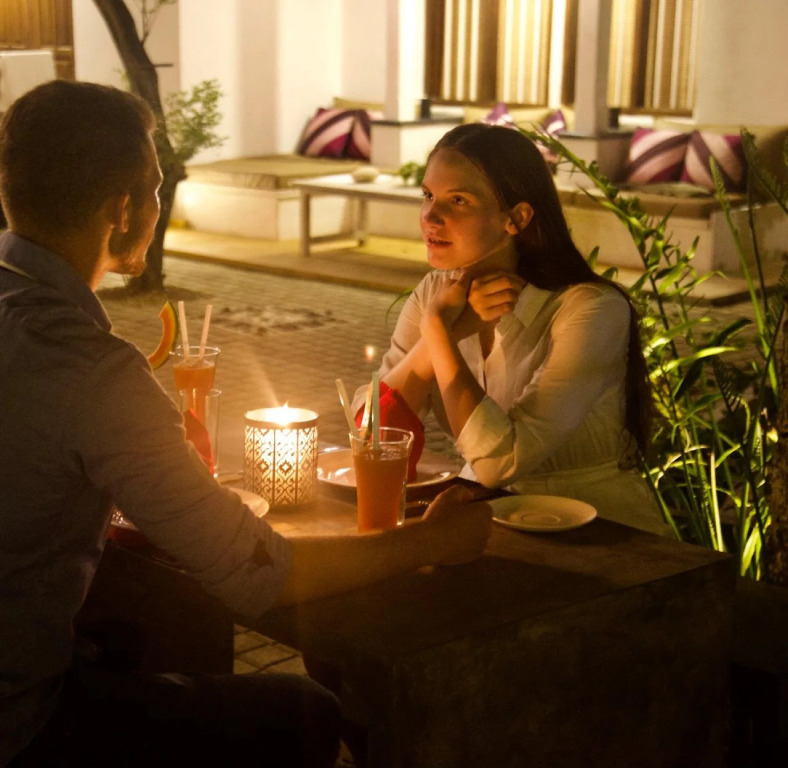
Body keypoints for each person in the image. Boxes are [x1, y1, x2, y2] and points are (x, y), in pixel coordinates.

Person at [0, 81, 492, 767]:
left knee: (166, 625)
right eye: (157, 187)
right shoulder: (92, 369)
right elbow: (255, 574)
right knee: (303, 712)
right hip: (22, 723)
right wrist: (431, 540)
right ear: (123, 208)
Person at [355, 122, 668, 536]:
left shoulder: (590, 309)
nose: (431, 216)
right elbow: (370, 438)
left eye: (458, 200)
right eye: (428, 196)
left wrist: (438, 330)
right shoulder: (437, 294)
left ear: (516, 218)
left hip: (596, 529)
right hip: (484, 519)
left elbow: (500, 462)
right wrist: (440, 334)